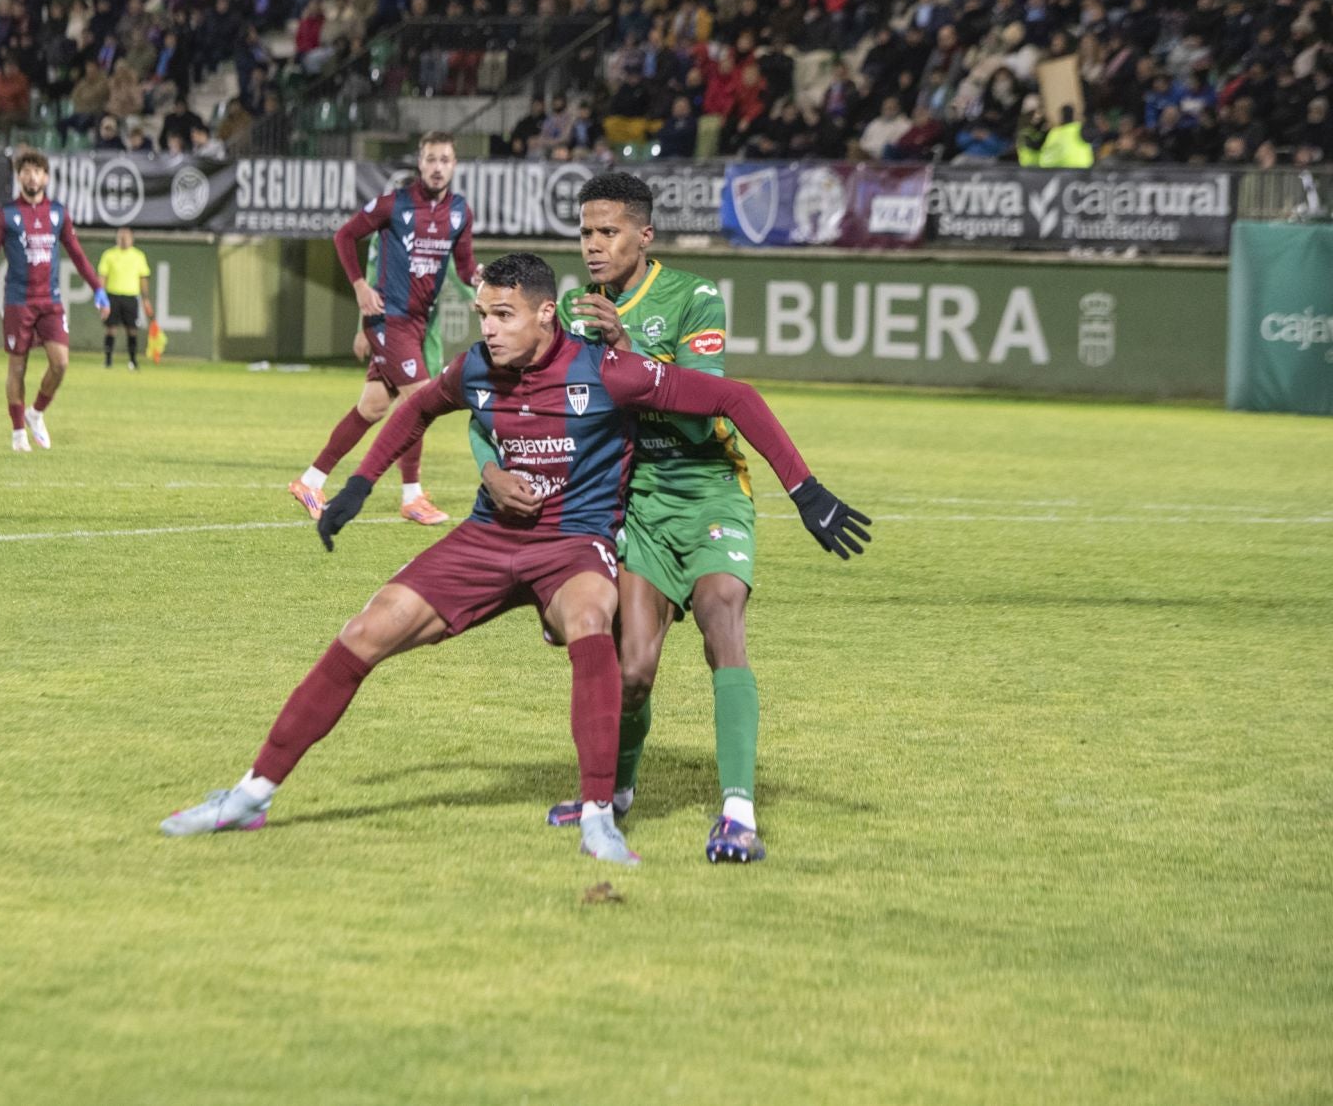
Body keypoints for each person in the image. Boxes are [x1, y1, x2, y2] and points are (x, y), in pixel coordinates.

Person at [161, 246, 870, 865]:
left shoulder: (610, 371)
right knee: (363, 631)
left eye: (502, 316)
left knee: (592, 619)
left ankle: (598, 816)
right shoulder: (477, 368)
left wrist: (805, 490)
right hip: (487, 539)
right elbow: (414, 407)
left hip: (572, 546)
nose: (488, 331)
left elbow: (734, 396)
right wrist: (356, 487)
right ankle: (252, 794)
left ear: (544, 317)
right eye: (482, 316)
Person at [473, 172, 857, 864]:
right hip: (640, 501)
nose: (593, 246)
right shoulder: (571, 312)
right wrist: (491, 467)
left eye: (608, 232)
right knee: (636, 668)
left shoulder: (692, 297)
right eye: (586, 233)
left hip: (709, 488)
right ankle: (615, 794)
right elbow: (496, 396)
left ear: (644, 237)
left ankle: (738, 812)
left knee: (720, 618)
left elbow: (705, 404)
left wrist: (629, 354)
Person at [289, 130, 480, 528]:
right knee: (423, 401)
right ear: (420, 162)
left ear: (455, 165)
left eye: (445, 159)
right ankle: (412, 497)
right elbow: (345, 235)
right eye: (431, 159)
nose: (438, 167)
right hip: (388, 319)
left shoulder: (460, 212)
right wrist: (360, 286)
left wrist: (478, 280)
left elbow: (463, 267)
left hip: (417, 322)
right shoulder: (395, 205)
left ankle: (310, 480)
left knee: (372, 408)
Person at [0, 147, 109, 452]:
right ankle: (18, 432)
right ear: (18, 176)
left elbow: (76, 253)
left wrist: (98, 289)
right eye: (25, 170)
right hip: (18, 301)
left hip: (50, 300)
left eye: (37, 170)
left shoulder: (58, 213)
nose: (31, 175)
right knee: (17, 368)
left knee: (60, 364)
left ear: (46, 177)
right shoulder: (5, 214)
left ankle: (36, 413)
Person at [96, 226, 154, 370]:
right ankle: (108, 361)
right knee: (111, 328)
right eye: (121, 236)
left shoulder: (138, 255)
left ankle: (133, 361)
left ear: (131, 239)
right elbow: (102, 276)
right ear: (117, 238)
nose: (123, 239)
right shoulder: (109, 255)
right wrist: (100, 295)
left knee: (132, 329)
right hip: (112, 296)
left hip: (130, 297)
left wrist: (145, 298)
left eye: (126, 237)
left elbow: (143, 278)